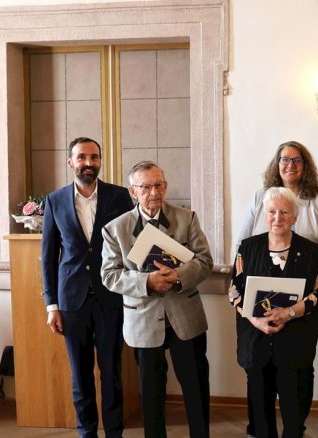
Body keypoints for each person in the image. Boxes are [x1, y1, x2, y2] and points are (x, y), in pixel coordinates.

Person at [235, 141, 318, 438]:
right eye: (284, 159)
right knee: (260, 367)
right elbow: (242, 246)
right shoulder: (261, 197)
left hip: (308, 298)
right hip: (259, 301)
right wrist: (254, 313)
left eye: (296, 160)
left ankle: (296, 427)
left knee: (298, 364)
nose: (290, 165)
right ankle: (260, 428)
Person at [101, 161, 214, 438]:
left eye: (159, 185)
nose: (154, 192)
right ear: (133, 191)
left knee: (196, 387)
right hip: (143, 319)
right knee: (151, 393)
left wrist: (178, 275)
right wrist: (146, 281)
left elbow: (205, 261)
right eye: (146, 186)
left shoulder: (187, 218)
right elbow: (109, 275)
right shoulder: (115, 229)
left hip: (186, 316)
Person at [41, 137, 134, 438]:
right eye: (81, 158)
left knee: (112, 373)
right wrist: (51, 305)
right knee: (80, 375)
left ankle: (115, 433)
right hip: (72, 302)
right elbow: (48, 257)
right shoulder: (54, 201)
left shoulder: (119, 197)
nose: (88, 163)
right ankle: (86, 432)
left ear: (101, 161)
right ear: (70, 162)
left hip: (111, 297)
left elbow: (130, 246)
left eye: (94, 157)